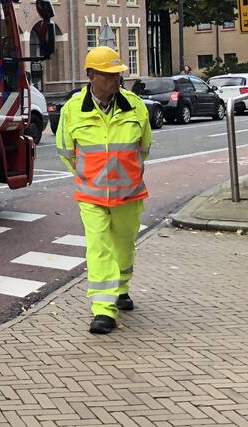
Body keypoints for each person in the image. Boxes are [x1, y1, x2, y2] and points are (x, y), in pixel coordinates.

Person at [55, 46, 152, 334]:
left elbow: (143, 147)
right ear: (91, 75)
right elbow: (65, 151)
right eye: (108, 75)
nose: (115, 80)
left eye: (118, 74)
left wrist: (124, 173)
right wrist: (89, 176)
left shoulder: (136, 106)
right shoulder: (72, 109)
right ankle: (103, 309)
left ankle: (121, 289)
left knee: (123, 246)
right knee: (98, 247)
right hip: (92, 194)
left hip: (129, 193)